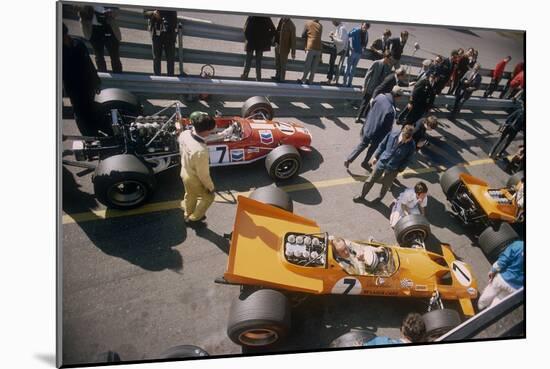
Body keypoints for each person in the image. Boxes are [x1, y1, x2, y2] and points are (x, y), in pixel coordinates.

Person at [353, 125, 416, 203]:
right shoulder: (392, 134)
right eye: (404, 138)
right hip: (382, 162)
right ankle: (362, 196)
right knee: (370, 180)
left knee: (386, 185)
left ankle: (379, 198)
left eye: (408, 139)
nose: (405, 141)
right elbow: (382, 145)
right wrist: (376, 156)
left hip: (393, 168)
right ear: (402, 132)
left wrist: (400, 169)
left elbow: (408, 159)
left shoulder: (411, 145)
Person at [346, 86, 404, 170]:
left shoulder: (380, 96)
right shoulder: (391, 110)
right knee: (372, 148)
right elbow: (388, 128)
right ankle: (365, 162)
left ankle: (349, 159)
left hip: (369, 125)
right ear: (398, 96)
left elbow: (372, 106)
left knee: (362, 144)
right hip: (378, 133)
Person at [62, 23, 102, 136]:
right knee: (80, 113)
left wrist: (97, 81)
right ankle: (87, 136)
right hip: (74, 88)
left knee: (90, 108)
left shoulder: (78, 43)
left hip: (88, 84)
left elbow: (89, 64)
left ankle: (95, 132)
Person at [178, 112, 217, 223]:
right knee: (209, 197)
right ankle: (195, 217)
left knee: (190, 195)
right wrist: (211, 187)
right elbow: (203, 175)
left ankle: (187, 212)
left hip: (184, 171)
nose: (211, 132)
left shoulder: (185, 133)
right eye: (210, 130)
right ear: (205, 131)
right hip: (194, 178)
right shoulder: (200, 152)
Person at [478, 240, 524, 310]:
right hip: (515, 288)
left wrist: (493, 271)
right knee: (498, 302)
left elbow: (503, 261)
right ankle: (487, 314)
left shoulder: (518, 245)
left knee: (488, 294)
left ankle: (479, 307)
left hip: (502, 279)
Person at [78, 5, 122, 73]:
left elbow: (117, 10)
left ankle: (119, 77)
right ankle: (103, 76)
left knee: (115, 56)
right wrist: (84, 10)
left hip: (109, 27)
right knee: (99, 56)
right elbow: (76, 7)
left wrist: (111, 13)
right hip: (92, 28)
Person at [355, 51, 393, 122]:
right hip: (370, 87)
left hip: (378, 90)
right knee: (365, 102)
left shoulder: (388, 67)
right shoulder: (376, 63)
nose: (390, 61)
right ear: (385, 57)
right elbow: (368, 75)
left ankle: (366, 117)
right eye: (389, 59)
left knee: (371, 104)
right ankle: (358, 117)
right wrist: (364, 86)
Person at [143, 9, 178, 76]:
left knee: (170, 59)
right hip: (156, 32)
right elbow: (145, 13)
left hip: (170, 33)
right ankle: (157, 78)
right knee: (156, 58)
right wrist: (153, 13)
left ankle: (171, 80)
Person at [241, 16, 276, 81]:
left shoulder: (252, 16)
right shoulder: (266, 18)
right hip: (260, 44)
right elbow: (273, 30)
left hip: (251, 42)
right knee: (258, 62)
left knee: (248, 60)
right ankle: (258, 78)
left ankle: (245, 75)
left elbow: (245, 29)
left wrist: (248, 38)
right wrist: (267, 38)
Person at [343, 22, 370, 87]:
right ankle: (344, 83)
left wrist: (363, 48)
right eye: (364, 27)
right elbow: (347, 35)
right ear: (362, 25)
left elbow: (365, 42)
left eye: (366, 28)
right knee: (348, 67)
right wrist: (349, 46)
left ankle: (349, 83)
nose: (365, 29)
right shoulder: (356, 30)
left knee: (353, 69)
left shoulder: (366, 33)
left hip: (359, 53)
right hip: (353, 52)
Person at [298, 19, 323, 85]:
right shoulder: (320, 26)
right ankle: (310, 81)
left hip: (311, 46)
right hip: (319, 48)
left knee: (307, 65)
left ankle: (303, 79)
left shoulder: (308, 23)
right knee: (314, 67)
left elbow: (303, 35)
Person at [273, 17, 296, 82]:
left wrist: (293, 52)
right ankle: (277, 76)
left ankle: (282, 78)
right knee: (277, 62)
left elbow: (293, 40)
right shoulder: (279, 20)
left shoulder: (291, 25)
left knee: (283, 64)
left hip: (285, 48)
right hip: (277, 45)